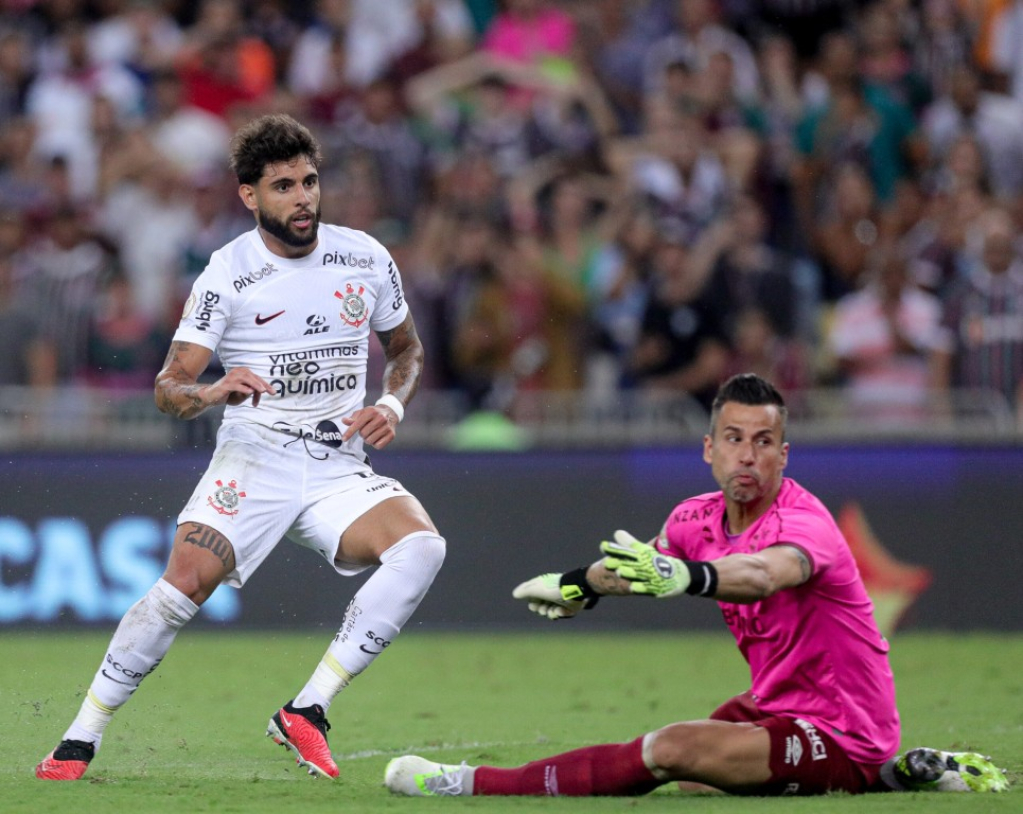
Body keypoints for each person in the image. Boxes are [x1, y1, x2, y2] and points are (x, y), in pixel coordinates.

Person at [35, 113, 447, 781]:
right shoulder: (226, 274)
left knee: (423, 546)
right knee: (181, 588)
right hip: (255, 459)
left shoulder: (366, 256)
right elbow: (168, 387)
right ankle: (81, 737)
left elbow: (405, 348)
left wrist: (391, 403)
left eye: (310, 182)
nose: (303, 197)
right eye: (283, 186)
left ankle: (306, 710)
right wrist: (214, 389)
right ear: (249, 196)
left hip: (339, 463)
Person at [383, 374, 1008, 798]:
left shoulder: (803, 522)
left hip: (844, 727)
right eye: (734, 440)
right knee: (696, 782)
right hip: (776, 704)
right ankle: (905, 777)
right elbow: (640, 567)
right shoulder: (693, 518)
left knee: (670, 749)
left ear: (783, 454)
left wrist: (687, 577)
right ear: (709, 448)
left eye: (764, 442)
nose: (748, 456)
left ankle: (468, 782)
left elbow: (764, 574)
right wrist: (579, 585)